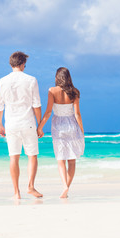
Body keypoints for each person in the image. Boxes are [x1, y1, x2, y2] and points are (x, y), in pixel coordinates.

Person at [0, 51, 43, 199]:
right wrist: (40, 125)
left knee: (13, 157)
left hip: (10, 124)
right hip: (28, 123)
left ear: (11, 64)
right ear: (22, 64)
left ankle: (16, 192)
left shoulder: (2, 81)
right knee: (32, 155)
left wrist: (0, 124)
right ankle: (30, 187)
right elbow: (36, 104)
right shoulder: (31, 80)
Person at [37, 67, 84, 198]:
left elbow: (48, 112)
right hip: (72, 125)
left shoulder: (52, 91)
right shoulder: (75, 92)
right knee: (72, 160)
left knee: (60, 159)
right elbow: (77, 114)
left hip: (58, 126)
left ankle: (64, 185)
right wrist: (81, 130)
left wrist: (39, 127)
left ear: (57, 77)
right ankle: (67, 188)